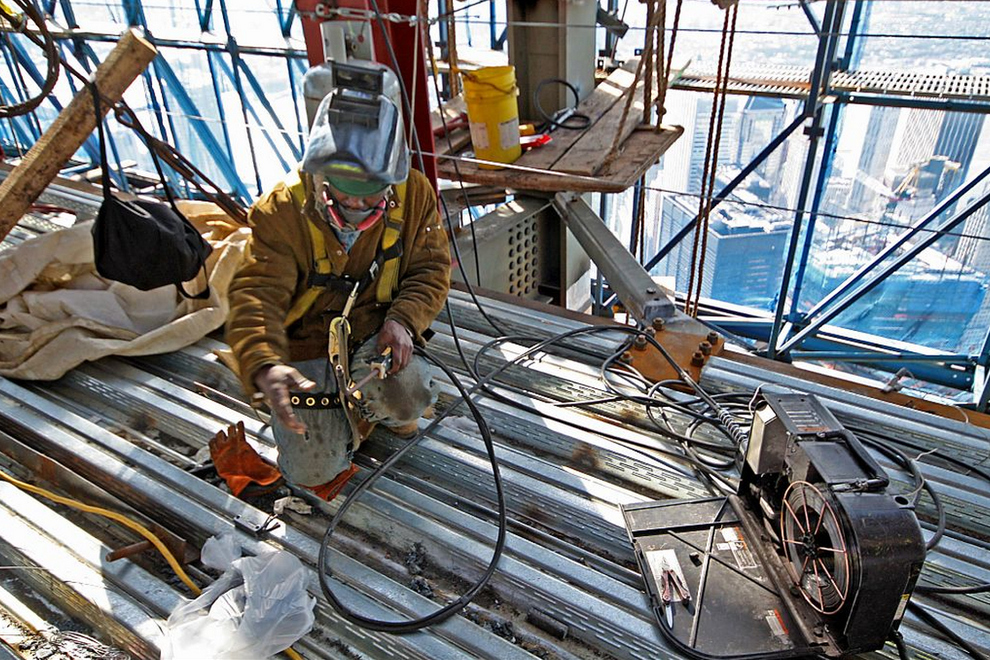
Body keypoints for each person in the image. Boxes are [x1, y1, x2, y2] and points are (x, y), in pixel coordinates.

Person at [225, 61, 450, 500]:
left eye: (371, 194)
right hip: (307, 346)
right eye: (344, 192)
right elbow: (256, 295)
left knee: (408, 393)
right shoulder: (282, 210)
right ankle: (338, 420)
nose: (357, 205)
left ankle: (383, 412)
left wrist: (403, 321)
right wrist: (264, 363)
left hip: (374, 332)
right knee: (312, 471)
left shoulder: (414, 194)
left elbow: (431, 269)